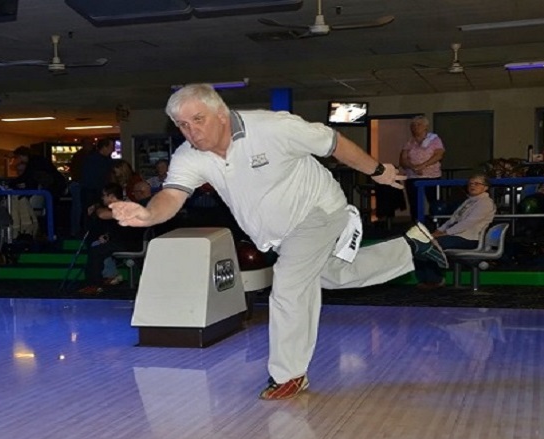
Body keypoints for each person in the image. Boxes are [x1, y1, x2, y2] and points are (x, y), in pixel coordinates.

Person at [109, 84, 448, 400]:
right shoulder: (190, 156)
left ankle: (289, 375)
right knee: (331, 276)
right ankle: (411, 248)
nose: (191, 131)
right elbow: (172, 195)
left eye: (198, 120)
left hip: (318, 210)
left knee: (287, 285)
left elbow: (334, 142)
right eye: (182, 124)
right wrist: (148, 215)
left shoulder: (272, 128)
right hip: (279, 234)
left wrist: (378, 171)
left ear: (221, 114)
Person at [414, 173, 496, 289]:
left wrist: (444, 233)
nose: (472, 186)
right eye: (470, 184)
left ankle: (435, 279)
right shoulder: (468, 201)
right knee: (419, 243)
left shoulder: (485, 203)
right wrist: (437, 231)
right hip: (456, 235)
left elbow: (467, 223)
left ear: (485, 187)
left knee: (431, 246)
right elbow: (452, 220)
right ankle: (425, 279)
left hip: (469, 238)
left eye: (477, 184)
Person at [79, 183, 145, 295]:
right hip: (125, 240)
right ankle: (107, 276)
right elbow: (120, 229)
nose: (102, 198)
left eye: (104, 196)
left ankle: (95, 285)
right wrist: (107, 236)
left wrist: (97, 207)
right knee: (96, 245)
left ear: (111, 196)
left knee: (96, 252)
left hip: (130, 243)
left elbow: (102, 215)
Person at [399, 115, 446, 223]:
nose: (415, 127)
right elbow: (403, 159)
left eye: (418, 125)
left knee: (434, 201)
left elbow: (439, 155)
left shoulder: (434, 139)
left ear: (425, 127)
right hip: (413, 177)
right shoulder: (409, 142)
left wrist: (423, 165)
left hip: (432, 176)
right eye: (413, 125)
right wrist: (413, 167)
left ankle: (436, 224)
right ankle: (416, 225)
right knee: (414, 203)